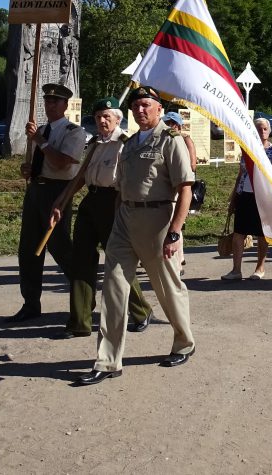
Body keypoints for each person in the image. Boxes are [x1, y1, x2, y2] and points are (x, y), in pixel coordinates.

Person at [77, 85, 196, 386]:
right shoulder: (128, 145)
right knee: (114, 287)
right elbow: (122, 187)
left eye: (146, 105)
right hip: (125, 219)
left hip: (157, 220)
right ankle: (107, 360)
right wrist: (118, 216)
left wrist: (175, 232)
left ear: (158, 109)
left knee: (167, 287)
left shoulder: (171, 141)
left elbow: (185, 188)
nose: (140, 110)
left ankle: (184, 342)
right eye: (136, 106)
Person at [49, 97, 153, 339]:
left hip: (114, 203)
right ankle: (80, 321)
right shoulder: (95, 143)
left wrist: (122, 209)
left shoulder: (126, 144)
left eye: (107, 116)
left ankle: (140, 311)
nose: (102, 121)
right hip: (91, 202)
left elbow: (130, 180)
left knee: (117, 262)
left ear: (118, 119)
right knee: (81, 260)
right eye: (98, 117)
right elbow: (82, 176)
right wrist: (62, 200)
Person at [8, 83, 84, 323]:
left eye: (55, 102)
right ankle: (31, 303)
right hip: (36, 190)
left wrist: (40, 141)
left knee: (60, 247)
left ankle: (83, 296)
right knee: (28, 250)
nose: (50, 105)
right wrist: (27, 169)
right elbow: (35, 163)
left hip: (58, 191)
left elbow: (62, 163)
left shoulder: (73, 132)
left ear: (65, 105)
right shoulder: (39, 130)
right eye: (47, 101)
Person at [222, 117, 272, 281]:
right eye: (258, 129)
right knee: (239, 233)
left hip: (264, 197)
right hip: (245, 195)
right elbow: (240, 174)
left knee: (262, 234)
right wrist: (234, 196)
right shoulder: (247, 150)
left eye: (264, 129)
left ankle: (260, 268)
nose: (261, 132)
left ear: (269, 131)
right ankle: (236, 270)